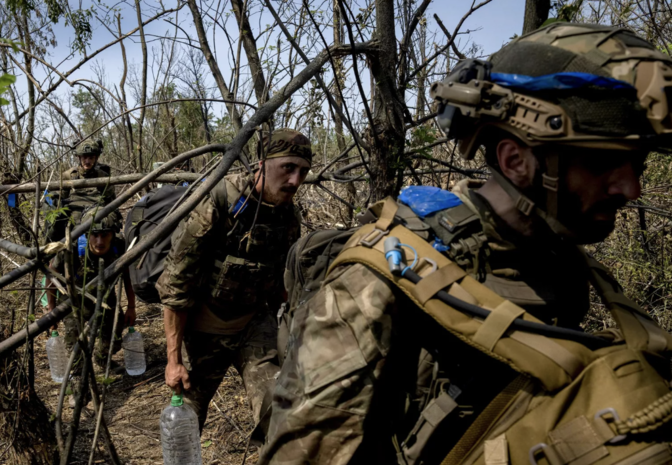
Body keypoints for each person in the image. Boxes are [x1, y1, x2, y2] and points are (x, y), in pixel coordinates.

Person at [261, 23, 672, 465]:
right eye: (604, 162)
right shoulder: (377, 279)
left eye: (638, 162)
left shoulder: (558, 256)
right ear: (515, 160)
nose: (631, 188)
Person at [156, 128, 312, 441]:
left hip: (253, 325)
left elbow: (283, 282)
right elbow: (176, 285)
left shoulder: (288, 216)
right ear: (262, 163)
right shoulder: (220, 201)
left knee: (280, 407)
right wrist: (173, 361)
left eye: (303, 171)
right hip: (202, 330)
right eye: (288, 168)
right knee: (186, 423)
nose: (295, 181)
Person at [45, 208, 136, 386]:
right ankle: (80, 384)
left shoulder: (119, 246)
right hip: (73, 302)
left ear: (113, 234)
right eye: (94, 235)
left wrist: (131, 307)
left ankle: (102, 358)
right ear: (86, 234)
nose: (99, 241)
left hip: (106, 299)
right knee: (75, 345)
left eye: (105, 235)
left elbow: (127, 276)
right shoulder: (69, 248)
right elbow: (51, 276)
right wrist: (52, 310)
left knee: (113, 339)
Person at [46, 137, 117, 243]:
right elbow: (60, 200)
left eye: (91, 158)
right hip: (74, 215)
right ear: (79, 157)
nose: (87, 161)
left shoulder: (103, 176)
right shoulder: (68, 175)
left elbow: (110, 202)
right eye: (84, 158)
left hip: (97, 215)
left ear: (96, 158)